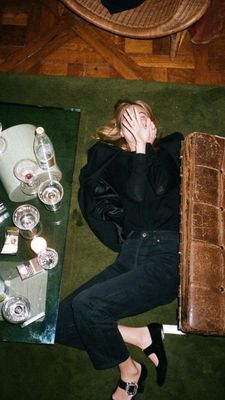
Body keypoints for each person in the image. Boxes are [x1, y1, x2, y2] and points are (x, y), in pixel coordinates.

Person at [55, 100, 184, 400]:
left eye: (141, 115)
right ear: (118, 129)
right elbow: (134, 215)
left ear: (152, 123)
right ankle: (141, 336)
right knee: (58, 323)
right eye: (127, 119)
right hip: (131, 252)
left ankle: (129, 372)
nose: (135, 121)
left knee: (88, 306)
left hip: (167, 255)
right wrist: (135, 151)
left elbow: (155, 196)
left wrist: (144, 148)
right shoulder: (110, 161)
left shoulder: (170, 148)